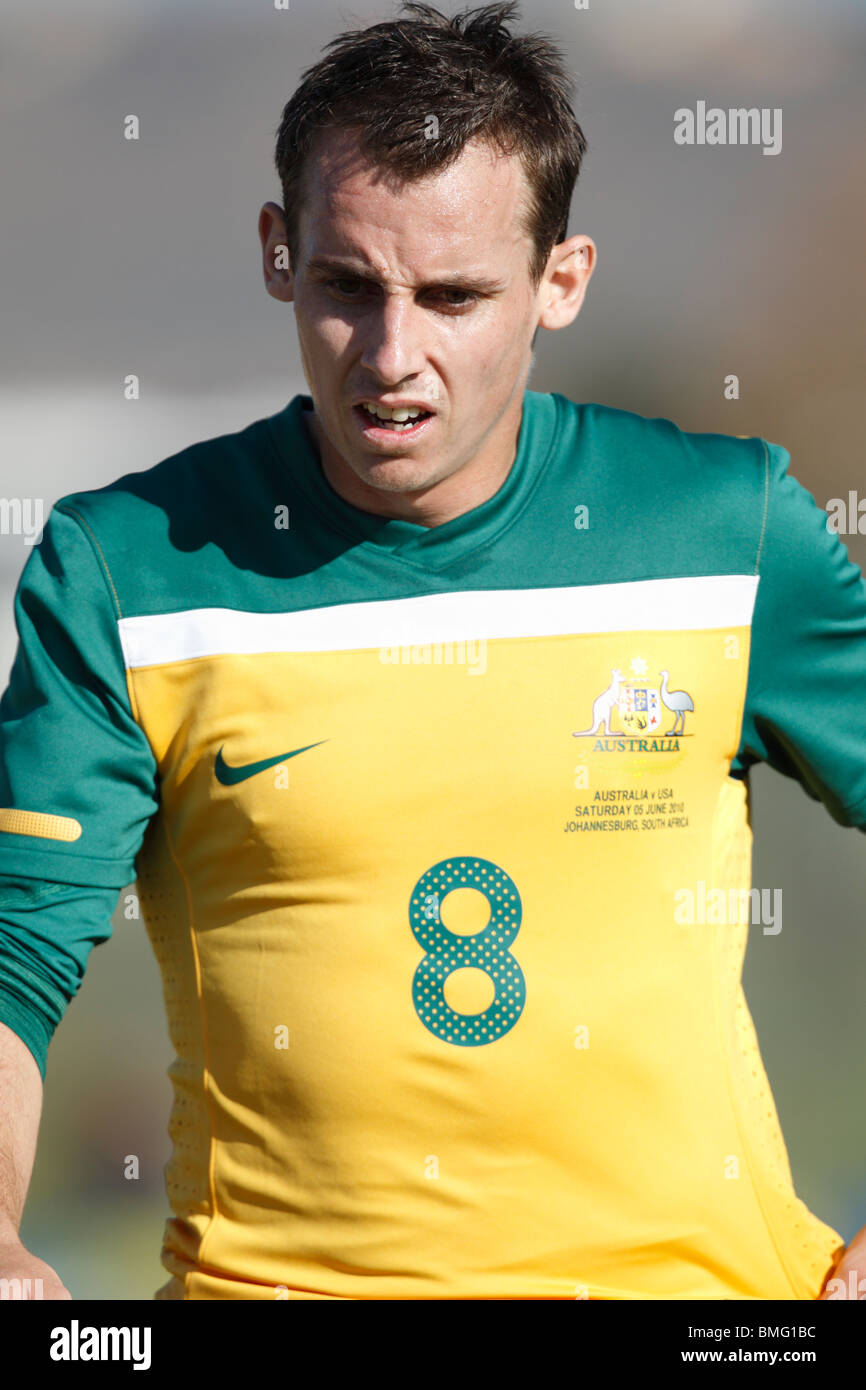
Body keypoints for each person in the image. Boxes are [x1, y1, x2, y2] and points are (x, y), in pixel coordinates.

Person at [1, 1, 864, 1302]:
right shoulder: (126, 569)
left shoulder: (724, 529)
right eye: (349, 286)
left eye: (454, 295)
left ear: (559, 282)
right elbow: (14, 953)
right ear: (277, 253)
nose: (392, 358)